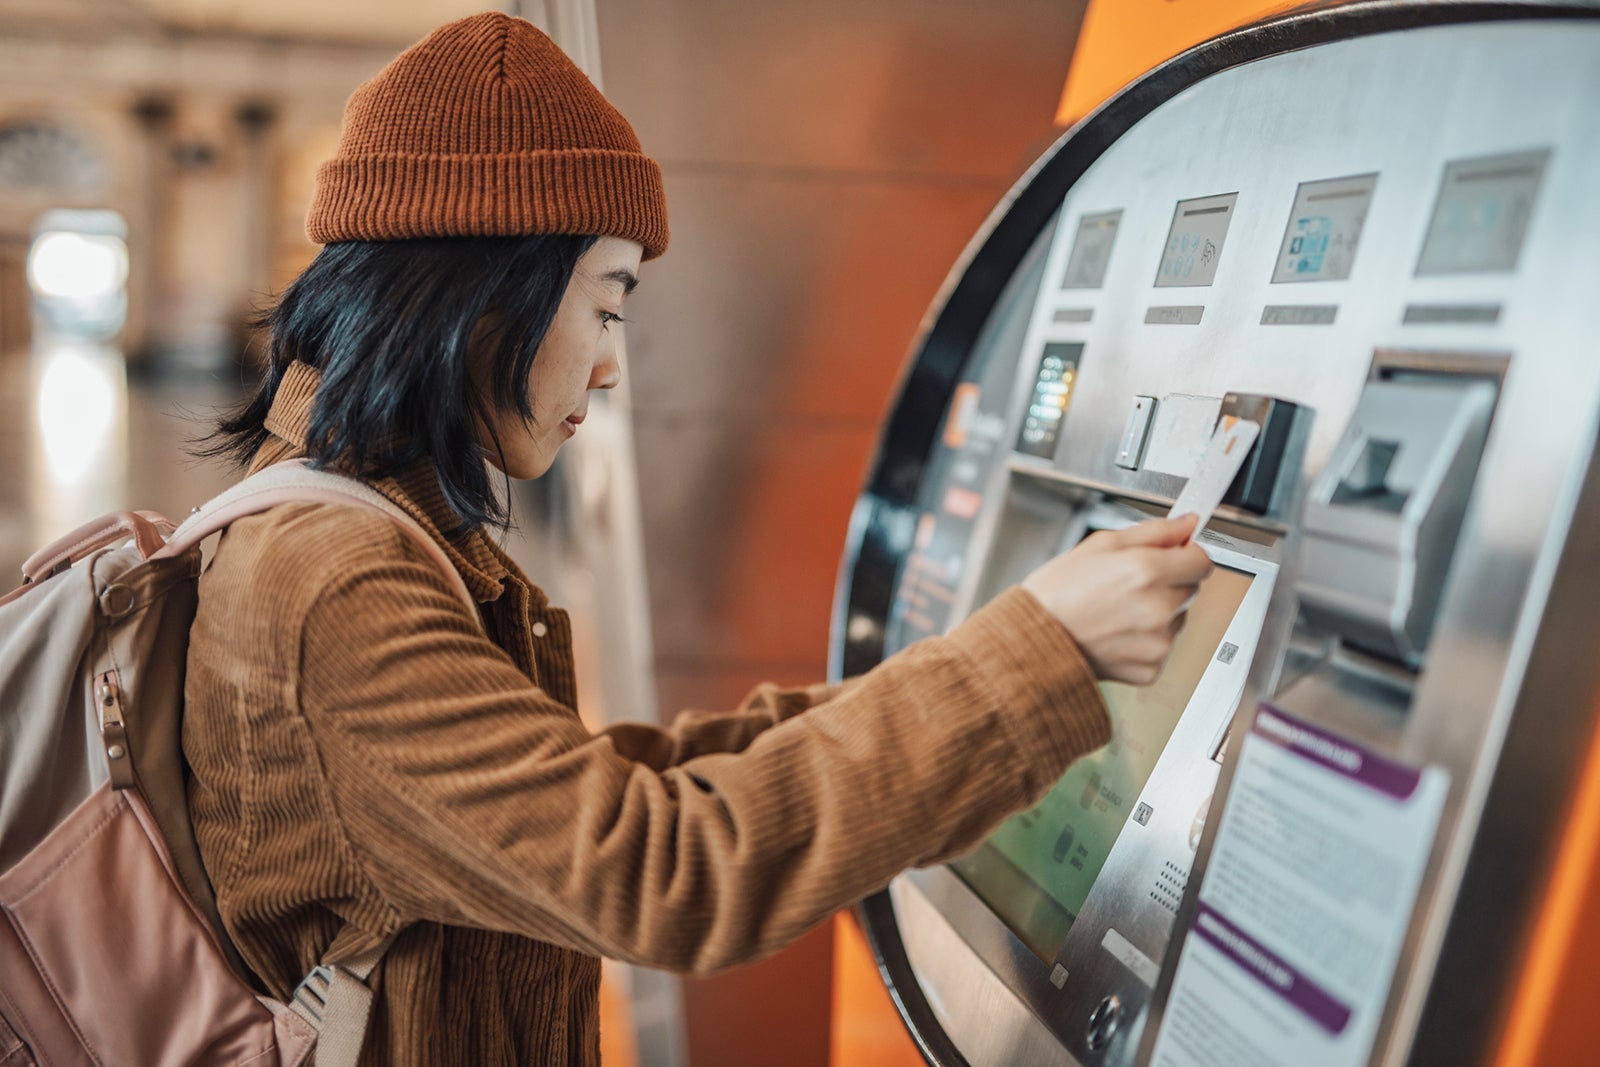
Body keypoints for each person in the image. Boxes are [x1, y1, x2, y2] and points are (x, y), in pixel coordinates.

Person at [185, 11, 1212, 1065]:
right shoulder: (334, 582)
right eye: (606, 305)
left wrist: (979, 663)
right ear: (486, 300)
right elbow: (661, 869)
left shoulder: (351, 524)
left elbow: (599, 786)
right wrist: (1034, 656)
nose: (608, 365)